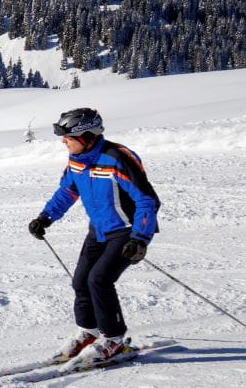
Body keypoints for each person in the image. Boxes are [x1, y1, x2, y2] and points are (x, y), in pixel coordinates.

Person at [27, 107, 161, 366]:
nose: (64, 142)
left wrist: (140, 239)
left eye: (68, 138)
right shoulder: (77, 161)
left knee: (99, 280)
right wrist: (46, 217)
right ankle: (89, 332)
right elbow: (67, 191)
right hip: (98, 231)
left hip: (127, 232)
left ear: (86, 136)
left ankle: (113, 339)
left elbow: (147, 200)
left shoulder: (117, 158)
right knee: (81, 281)